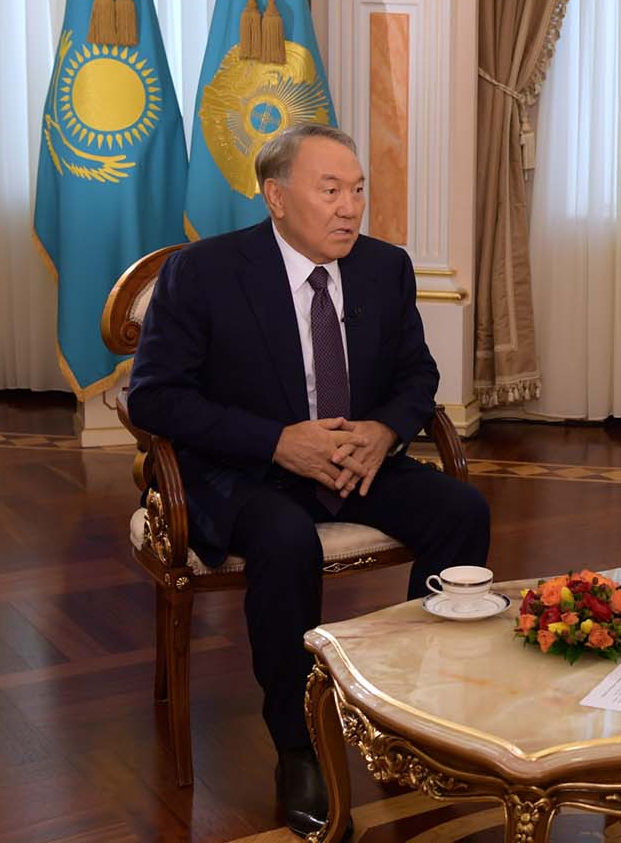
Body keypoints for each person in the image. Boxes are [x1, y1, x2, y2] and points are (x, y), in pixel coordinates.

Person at [128, 123, 490, 838]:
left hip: (353, 458)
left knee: (462, 511)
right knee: (285, 538)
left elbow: (417, 374)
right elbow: (154, 398)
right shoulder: (204, 271)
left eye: (357, 190)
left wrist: (384, 431)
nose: (350, 207)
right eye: (330, 191)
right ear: (276, 196)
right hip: (241, 470)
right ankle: (299, 748)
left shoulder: (385, 267)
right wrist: (276, 441)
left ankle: (409, 710)